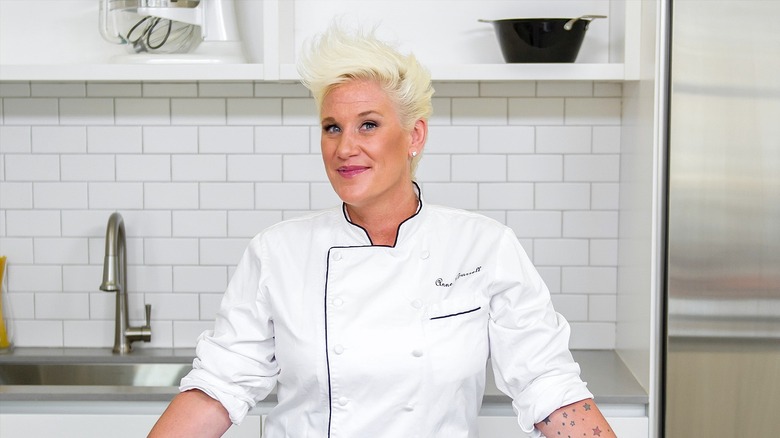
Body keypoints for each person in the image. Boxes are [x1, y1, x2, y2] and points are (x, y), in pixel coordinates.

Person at [149, 24, 616, 438]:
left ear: (414, 136)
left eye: (368, 125)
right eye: (332, 127)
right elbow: (219, 386)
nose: (345, 147)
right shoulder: (278, 253)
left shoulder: (483, 247)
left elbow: (548, 386)